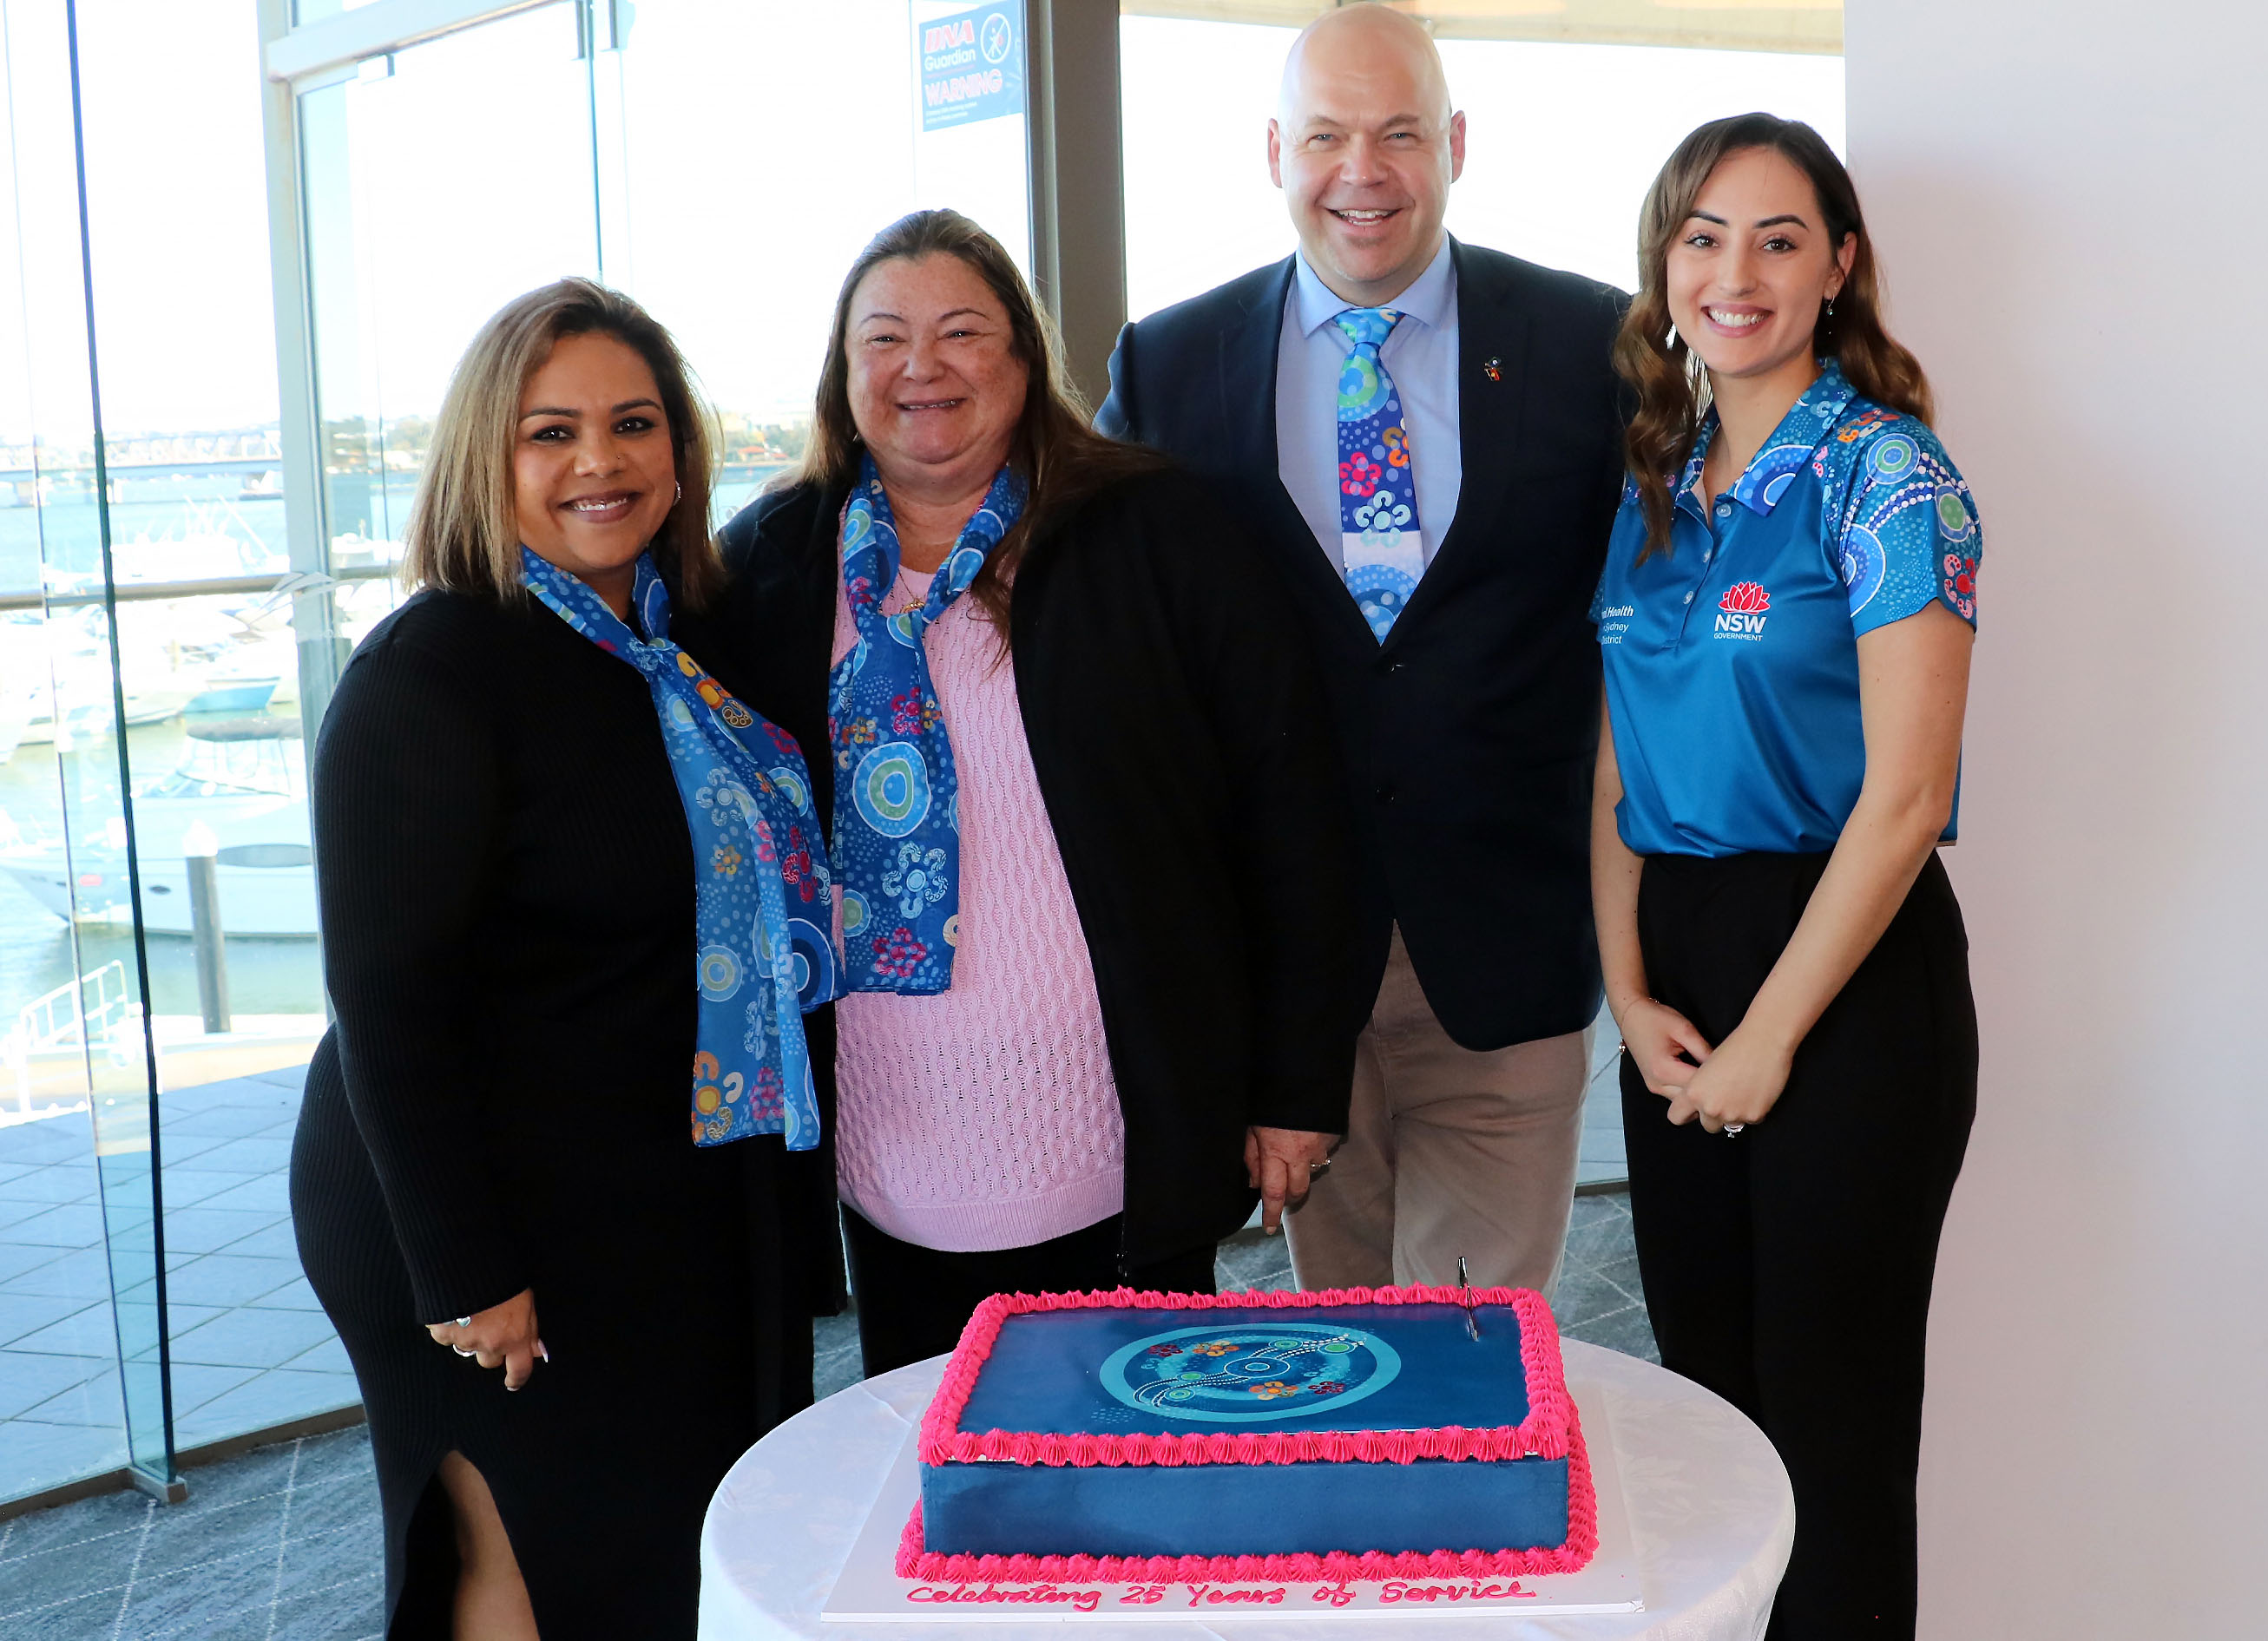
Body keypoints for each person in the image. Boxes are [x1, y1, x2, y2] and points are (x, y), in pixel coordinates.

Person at [695, 209, 1356, 1378]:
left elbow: (1292, 808)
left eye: (961, 332)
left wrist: (1294, 1084)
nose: (921, 367)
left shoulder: (1153, 532)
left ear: (1022, 358)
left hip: (1118, 1133)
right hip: (888, 1147)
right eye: (884, 338)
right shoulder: (771, 565)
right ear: (841, 372)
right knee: (946, 1483)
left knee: (1144, 1468)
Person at [290, 279, 838, 1639]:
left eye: (633, 423)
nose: (600, 463)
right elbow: (388, 1005)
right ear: (490, 456)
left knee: (682, 1551)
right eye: (551, 433)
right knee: (527, 1567)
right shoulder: (427, 675)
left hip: (669, 1191)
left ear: (680, 448)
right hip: (476, 1202)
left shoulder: (684, 637)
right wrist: (468, 1269)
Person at [1095, 2, 1627, 1297]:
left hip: (1503, 953)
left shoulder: (1588, 344)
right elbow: (1108, 635)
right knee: (1342, 1355)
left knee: (1477, 1348)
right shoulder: (1168, 367)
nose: (1362, 170)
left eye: (1397, 132)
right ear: (1273, 150)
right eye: (1326, 134)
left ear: (1452, 142)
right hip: (1284, 979)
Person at [1591, 114, 1981, 1639]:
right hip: (1675, 961)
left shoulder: (1891, 477)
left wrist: (1770, 1037)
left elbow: (1907, 797)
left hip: (1847, 970)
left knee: (1831, 1422)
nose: (1732, 273)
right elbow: (1616, 767)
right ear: (1663, 267)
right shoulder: (1651, 480)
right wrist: (1625, 991)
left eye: (1774, 238)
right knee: (1706, 1412)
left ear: (1839, 267)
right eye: (1700, 237)